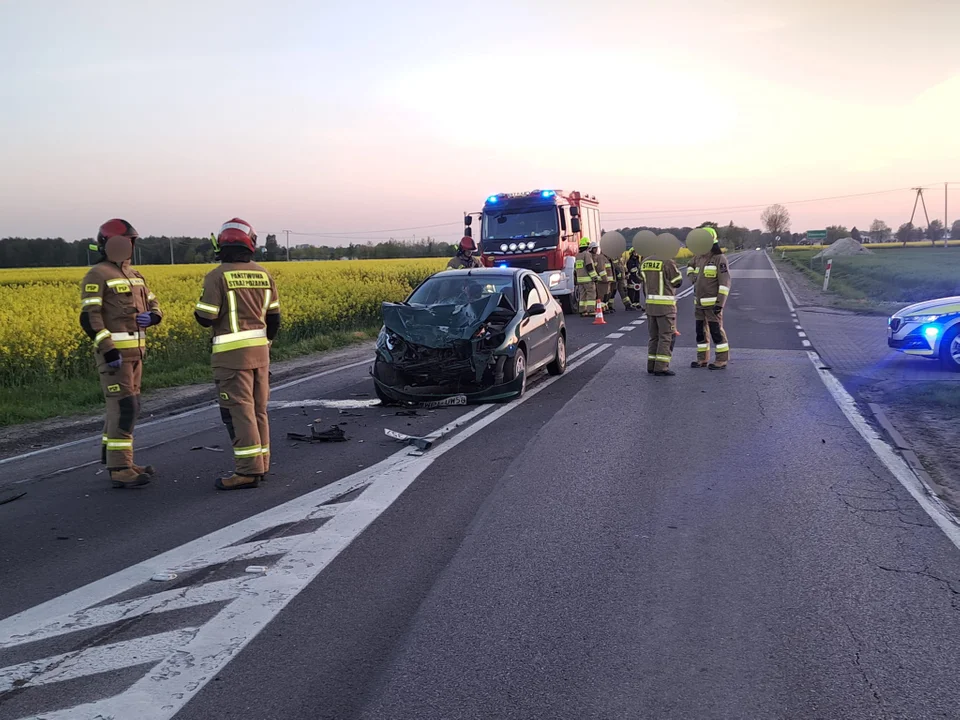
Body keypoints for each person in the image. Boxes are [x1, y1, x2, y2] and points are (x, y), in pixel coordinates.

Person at [195, 218, 281, 490]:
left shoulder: (217, 276)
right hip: (260, 354)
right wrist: (266, 343)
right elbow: (275, 318)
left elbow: (206, 317)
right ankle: (262, 464)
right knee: (259, 411)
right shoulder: (263, 274)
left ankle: (246, 471)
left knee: (238, 413)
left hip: (232, 359)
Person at [80, 219, 162, 488]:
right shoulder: (98, 274)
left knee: (128, 407)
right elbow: (89, 317)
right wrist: (107, 348)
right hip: (115, 356)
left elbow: (152, 302)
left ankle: (120, 460)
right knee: (124, 407)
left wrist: (154, 316)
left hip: (136, 354)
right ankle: (119, 468)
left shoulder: (135, 275)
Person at [691, 228, 731, 369]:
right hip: (699, 304)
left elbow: (725, 283)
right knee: (700, 333)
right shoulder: (698, 257)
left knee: (716, 332)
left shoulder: (719, 259)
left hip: (713, 304)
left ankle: (721, 360)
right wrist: (692, 277)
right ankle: (702, 359)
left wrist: (720, 304)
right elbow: (690, 267)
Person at [640, 254, 683, 376]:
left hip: (650, 306)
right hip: (665, 307)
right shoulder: (667, 261)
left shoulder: (645, 261)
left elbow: (639, 277)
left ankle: (651, 365)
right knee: (666, 337)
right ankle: (661, 366)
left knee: (654, 337)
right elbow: (677, 282)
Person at [574, 236, 599, 316]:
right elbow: (589, 266)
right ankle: (591, 310)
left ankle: (582, 310)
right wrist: (594, 277)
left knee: (582, 296)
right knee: (591, 294)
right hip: (588, 280)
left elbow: (575, 269)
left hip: (580, 280)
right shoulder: (587, 255)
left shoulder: (577, 256)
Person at [590, 240, 611, 314]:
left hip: (600, 279)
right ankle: (602, 308)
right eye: (594, 248)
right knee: (602, 295)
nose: (596, 249)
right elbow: (601, 269)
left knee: (604, 294)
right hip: (601, 280)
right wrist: (605, 279)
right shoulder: (599, 257)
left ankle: (604, 307)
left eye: (596, 248)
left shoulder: (595, 257)